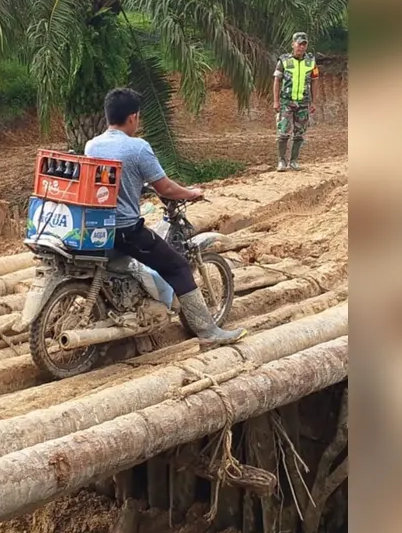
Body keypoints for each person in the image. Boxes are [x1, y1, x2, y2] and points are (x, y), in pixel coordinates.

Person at [85, 88, 247, 347]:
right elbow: (166, 188)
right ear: (133, 117)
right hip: (126, 231)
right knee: (178, 267)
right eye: (138, 117)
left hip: (97, 228)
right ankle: (208, 333)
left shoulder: (92, 145)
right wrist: (192, 193)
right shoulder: (138, 148)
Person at [272, 32, 320, 172]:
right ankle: (281, 161)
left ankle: (293, 161)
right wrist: (276, 101)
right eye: (299, 44)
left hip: (303, 103)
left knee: (299, 134)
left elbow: (315, 82)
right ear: (293, 44)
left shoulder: (311, 62)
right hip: (286, 102)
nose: (301, 47)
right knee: (283, 133)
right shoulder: (284, 60)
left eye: (304, 44)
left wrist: (313, 102)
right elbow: (276, 80)